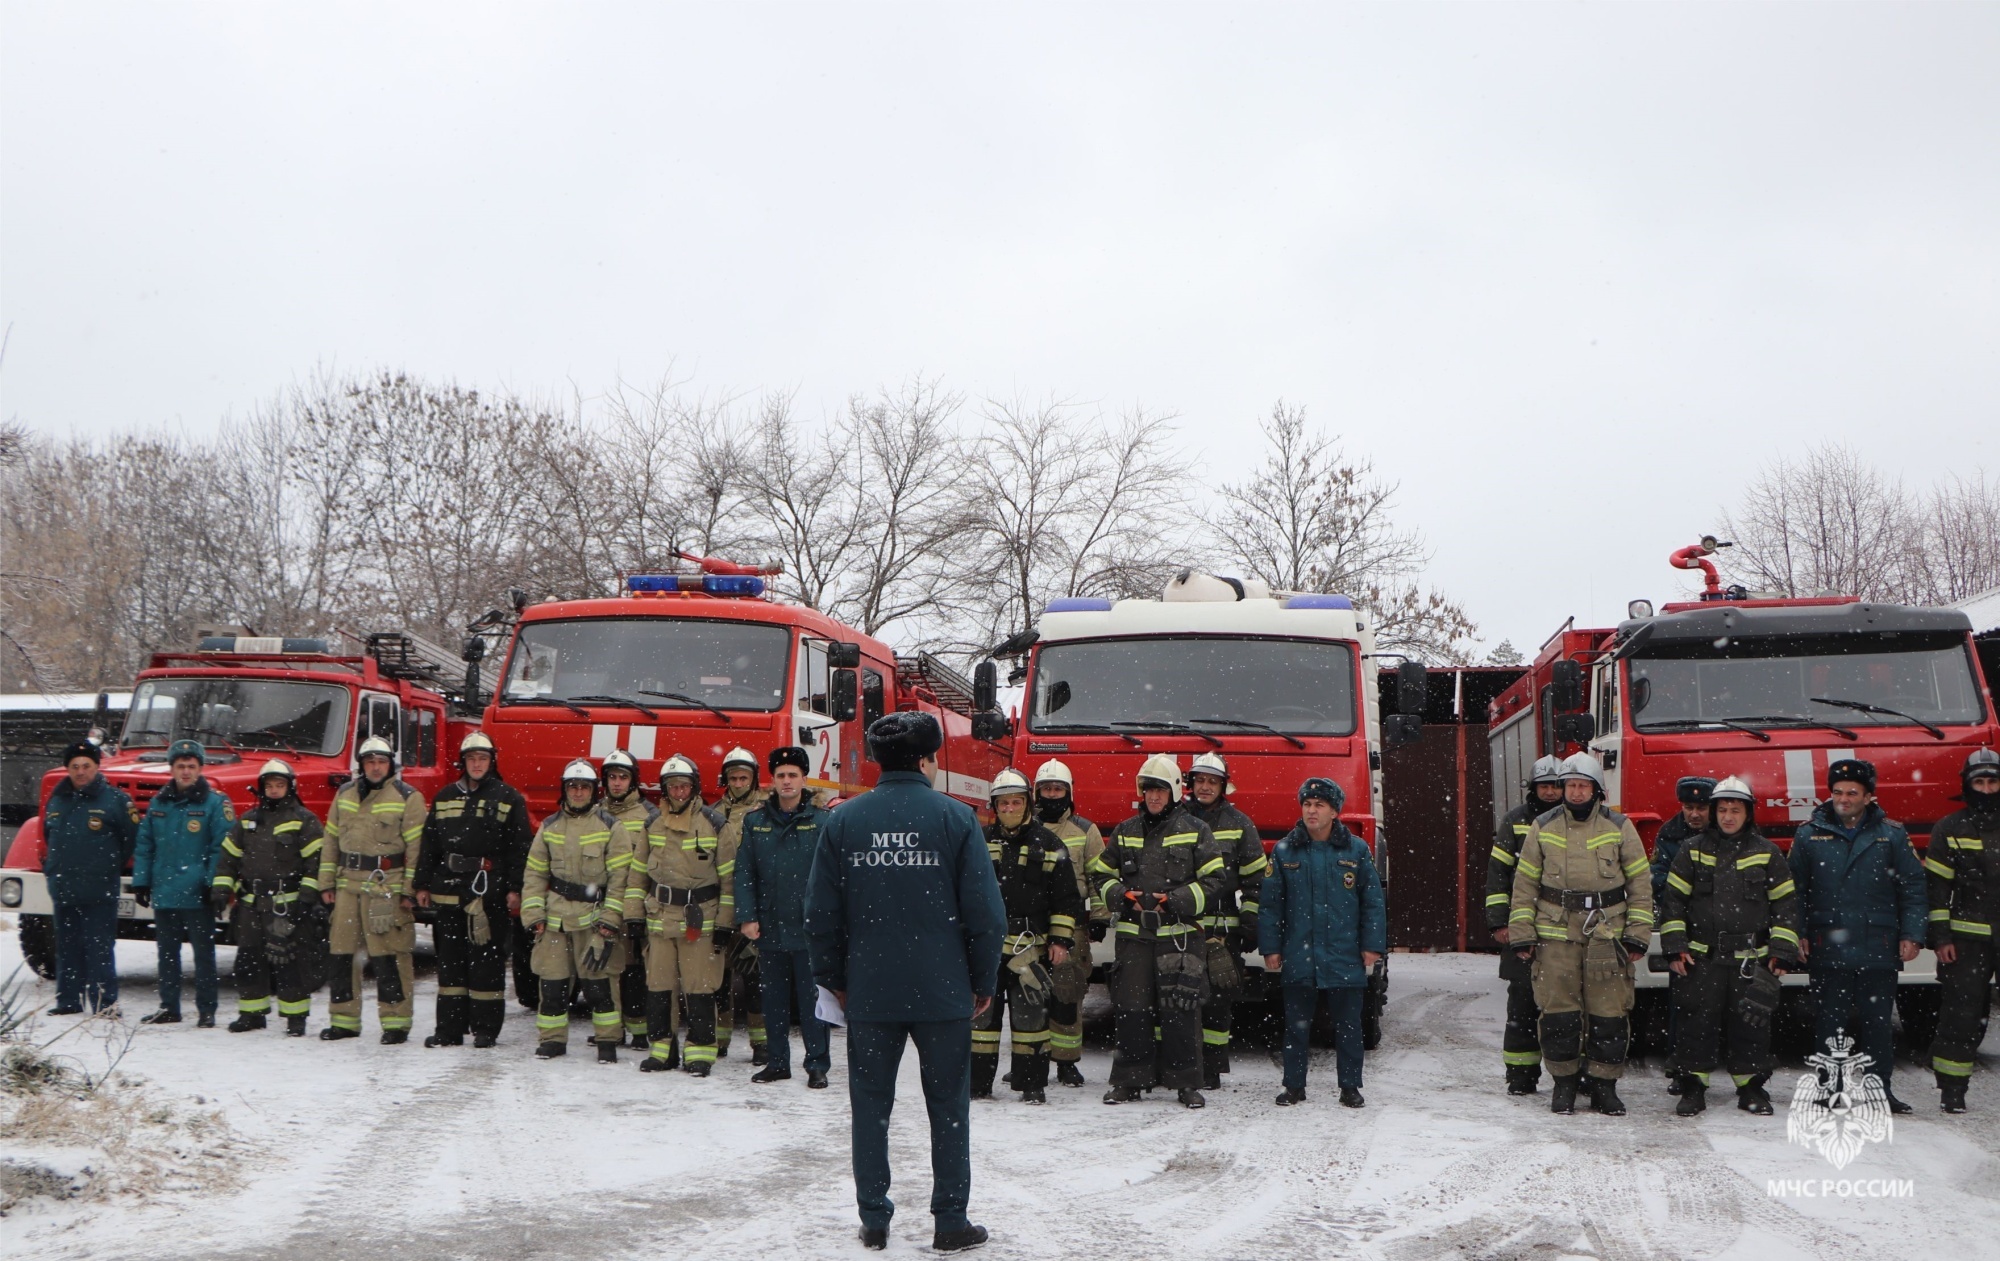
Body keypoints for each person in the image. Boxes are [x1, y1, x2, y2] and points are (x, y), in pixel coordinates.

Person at [805, 711, 1004, 1254]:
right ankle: (950, 1221)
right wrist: (981, 980)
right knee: (948, 1107)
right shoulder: (955, 818)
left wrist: (834, 979)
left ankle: (874, 1218)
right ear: (926, 760)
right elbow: (986, 914)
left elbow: (820, 913)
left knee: (871, 1106)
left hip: (870, 990)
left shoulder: (844, 821)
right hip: (943, 991)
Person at [1508, 752, 1654, 1116]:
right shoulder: (1543, 827)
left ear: (1596, 790)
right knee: (1559, 1014)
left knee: (1609, 1013)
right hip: (1555, 935)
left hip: (1607, 934)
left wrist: (1638, 933)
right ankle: (1564, 1085)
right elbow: (1524, 884)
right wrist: (1522, 933)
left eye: (1582, 785)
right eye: (1570, 785)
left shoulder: (1620, 828)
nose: (1575, 792)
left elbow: (1640, 883)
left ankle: (1605, 1087)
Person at [1087, 753, 1230, 1109]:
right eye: (1148, 789)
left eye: (1160, 790)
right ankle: (1129, 1081)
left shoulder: (1197, 830)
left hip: (1178, 938)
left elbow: (1216, 881)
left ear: (1175, 792)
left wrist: (1177, 900)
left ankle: (1186, 1084)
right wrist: (1121, 895)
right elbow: (1100, 874)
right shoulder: (1125, 831)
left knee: (1179, 1011)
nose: (1153, 796)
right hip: (1134, 938)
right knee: (1132, 1009)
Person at [1658, 776, 1800, 1116]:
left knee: (1751, 1025)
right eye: (1722, 810)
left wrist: (1782, 950)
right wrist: (1675, 946)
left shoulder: (1766, 853)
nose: (1728, 817)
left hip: (1750, 960)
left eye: (1735, 810)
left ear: (1748, 813)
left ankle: (1751, 1088)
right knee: (1696, 1024)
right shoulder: (1691, 849)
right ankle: (1693, 1087)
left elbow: (1786, 906)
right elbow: (1673, 901)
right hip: (1701, 958)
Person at [1791, 758, 1926, 1114]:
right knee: (1829, 1021)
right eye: (1837, 792)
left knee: (1878, 1025)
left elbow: (1912, 887)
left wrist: (1912, 933)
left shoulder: (1891, 835)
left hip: (1877, 944)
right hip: (1827, 943)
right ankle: (1828, 1090)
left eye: (1852, 793)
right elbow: (1795, 891)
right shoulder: (1808, 835)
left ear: (1869, 796)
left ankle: (1879, 1091)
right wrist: (1798, 933)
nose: (1844, 799)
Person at [1259, 777, 1386, 1107]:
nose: (1312, 811)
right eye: (1307, 804)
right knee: (1296, 1026)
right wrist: (1271, 948)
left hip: (1344, 953)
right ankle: (1294, 1086)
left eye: (1320, 805)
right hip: (1300, 953)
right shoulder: (1286, 850)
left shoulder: (1356, 850)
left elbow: (1372, 901)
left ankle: (1350, 1087)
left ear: (1334, 812)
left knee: (1348, 1026)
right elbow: (1271, 904)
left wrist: (1372, 945)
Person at [412, 732, 531, 1049]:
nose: (477, 764)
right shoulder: (444, 797)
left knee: (487, 964)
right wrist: (422, 883)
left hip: (488, 895)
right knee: (449, 964)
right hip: (448, 893)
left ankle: (485, 1029)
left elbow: (520, 849)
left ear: (492, 761)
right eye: (471, 758)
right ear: (462, 762)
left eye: (482, 758)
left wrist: (515, 889)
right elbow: (430, 843)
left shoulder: (509, 798)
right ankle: (449, 1030)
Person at [971, 769, 1081, 1103]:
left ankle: (1031, 1084)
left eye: (1016, 802)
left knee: (1031, 1018)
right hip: (986, 947)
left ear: (1027, 804)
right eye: (1003, 803)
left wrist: (1061, 941)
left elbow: (1066, 898)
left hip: (1028, 948)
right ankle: (977, 1084)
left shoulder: (1049, 844)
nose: (1009, 809)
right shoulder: (979, 840)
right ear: (995, 805)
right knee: (981, 1022)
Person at [520, 759, 636, 1061]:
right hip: (556, 918)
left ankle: (607, 1042)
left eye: (584, 786)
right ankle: (552, 1040)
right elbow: (534, 875)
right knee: (552, 983)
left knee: (600, 986)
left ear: (594, 791)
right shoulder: (549, 827)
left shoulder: (612, 827)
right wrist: (534, 917)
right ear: (565, 789)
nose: (579, 792)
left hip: (594, 920)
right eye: (573, 786)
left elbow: (620, 880)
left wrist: (610, 921)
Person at [628, 754, 734, 1075]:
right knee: (659, 987)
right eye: (673, 786)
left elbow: (730, 880)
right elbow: (637, 877)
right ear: (664, 789)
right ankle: (662, 1051)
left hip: (699, 919)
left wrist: (725, 923)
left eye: (684, 786)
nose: (678, 792)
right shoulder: (652, 824)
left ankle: (700, 1052)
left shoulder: (715, 825)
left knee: (699, 987)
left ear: (694, 787)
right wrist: (633, 916)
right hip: (659, 917)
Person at [317, 736, 427, 1043]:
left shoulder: (408, 796)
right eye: (369, 762)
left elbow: (418, 849)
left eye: (381, 762)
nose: (375, 767)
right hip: (347, 884)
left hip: (385, 886)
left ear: (390, 764)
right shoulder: (344, 794)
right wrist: (325, 883)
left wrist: (409, 890)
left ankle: (395, 1023)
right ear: (361, 765)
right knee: (341, 955)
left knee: (389, 957)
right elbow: (330, 841)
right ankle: (344, 1021)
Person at [735, 746, 833, 1087]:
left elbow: (834, 876)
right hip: (770, 927)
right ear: (772, 781)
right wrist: (747, 916)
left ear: (804, 779)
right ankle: (778, 1062)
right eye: (781, 776)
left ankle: (817, 1064)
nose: (787, 781)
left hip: (810, 930)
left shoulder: (823, 822)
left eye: (793, 775)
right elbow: (744, 872)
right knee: (773, 1002)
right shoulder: (756, 822)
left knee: (812, 1002)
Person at [212, 759, 325, 1036]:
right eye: (270, 785)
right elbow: (228, 859)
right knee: (248, 959)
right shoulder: (248, 821)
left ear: (290, 787)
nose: (274, 790)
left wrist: (306, 900)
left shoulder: (304, 820)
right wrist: (220, 890)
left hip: (285, 905)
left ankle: (295, 1018)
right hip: (251, 904)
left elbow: (316, 864)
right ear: (261, 788)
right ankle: (252, 1014)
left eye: (280, 785)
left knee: (288, 961)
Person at [131, 738, 233, 1027]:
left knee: (203, 954)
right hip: (165, 889)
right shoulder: (159, 804)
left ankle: (207, 1009)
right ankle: (169, 1007)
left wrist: (213, 884)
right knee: (167, 953)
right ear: (172, 769)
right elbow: (145, 844)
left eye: (191, 766)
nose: (185, 772)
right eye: (180, 766)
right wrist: (142, 881)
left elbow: (220, 848)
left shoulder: (215, 804)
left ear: (200, 768)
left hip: (197, 890)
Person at [1182, 752, 1267, 1091]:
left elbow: (1256, 880)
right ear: (1190, 785)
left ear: (1223, 786)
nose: (1205, 787)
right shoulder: (1177, 820)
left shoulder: (1240, 824)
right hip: (1181, 927)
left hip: (1222, 929)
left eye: (1211, 782)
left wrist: (1250, 918)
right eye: (1200, 780)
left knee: (1218, 1000)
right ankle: (1179, 1063)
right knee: (1179, 998)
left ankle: (1212, 1067)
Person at [1923, 749, 2000, 1113]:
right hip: (1967, 941)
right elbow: (1937, 891)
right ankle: (1952, 1090)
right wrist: (1941, 938)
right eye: (1979, 782)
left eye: (1993, 781)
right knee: (1960, 1016)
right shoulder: (1950, 828)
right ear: (1967, 786)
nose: (1986, 790)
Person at [1484, 754, 1565, 1095]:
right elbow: (1498, 876)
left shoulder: (1572, 822)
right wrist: (1499, 924)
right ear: (1534, 788)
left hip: (1561, 929)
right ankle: (1520, 1074)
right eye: (1544, 786)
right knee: (1521, 1004)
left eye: (1556, 786)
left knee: (1564, 1005)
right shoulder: (1516, 821)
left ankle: (1569, 1074)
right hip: (1522, 927)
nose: (1550, 792)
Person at [42, 741, 137, 1015]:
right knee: (67, 947)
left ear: (97, 767)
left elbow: (128, 840)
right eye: (75, 767)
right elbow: (51, 837)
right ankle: (68, 1001)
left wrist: (103, 866)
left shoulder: (116, 801)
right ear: (67, 769)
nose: (81, 771)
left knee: (99, 948)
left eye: (86, 766)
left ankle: (104, 1004)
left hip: (98, 888)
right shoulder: (58, 800)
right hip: (64, 886)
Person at [1033, 758, 1106, 1086]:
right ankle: (1030, 1059)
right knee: (1030, 995)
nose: (1052, 794)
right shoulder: (1025, 828)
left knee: (1066, 994)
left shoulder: (1085, 830)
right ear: (1037, 793)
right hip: (1031, 929)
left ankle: (1065, 1062)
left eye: (1057, 789)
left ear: (1069, 792)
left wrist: (1101, 917)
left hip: (1071, 928)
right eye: (1046, 789)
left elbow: (1099, 877)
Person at [1649, 776, 1715, 1097]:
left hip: (1721, 933)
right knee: (1684, 1005)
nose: (1694, 814)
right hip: (1685, 932)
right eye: (1689, 807)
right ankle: (1680, 1068)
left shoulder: (1731, 832)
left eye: (1701, 807)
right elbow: (1659, 879)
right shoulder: (1670, 835)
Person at [713, 746, 770, 1064]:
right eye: (733, 778)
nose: (737, 783)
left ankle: (760, 1043)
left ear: (753, 779)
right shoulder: (711, 813)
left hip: (754, 906)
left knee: (754, 977)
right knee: (719, 977)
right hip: (720, 904)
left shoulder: (766, 812)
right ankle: (720, 1039)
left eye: (743, 777)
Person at [597, 749, 657, 1050]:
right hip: (603, 905)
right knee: (607, 969)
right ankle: (612, 1029)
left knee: (635, 970)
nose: (617, 783)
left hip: (634, 906)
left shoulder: (649, 815)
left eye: (623, 777)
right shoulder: (594, 813)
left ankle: (639, 1030)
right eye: (612, 777)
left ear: (633, 781)